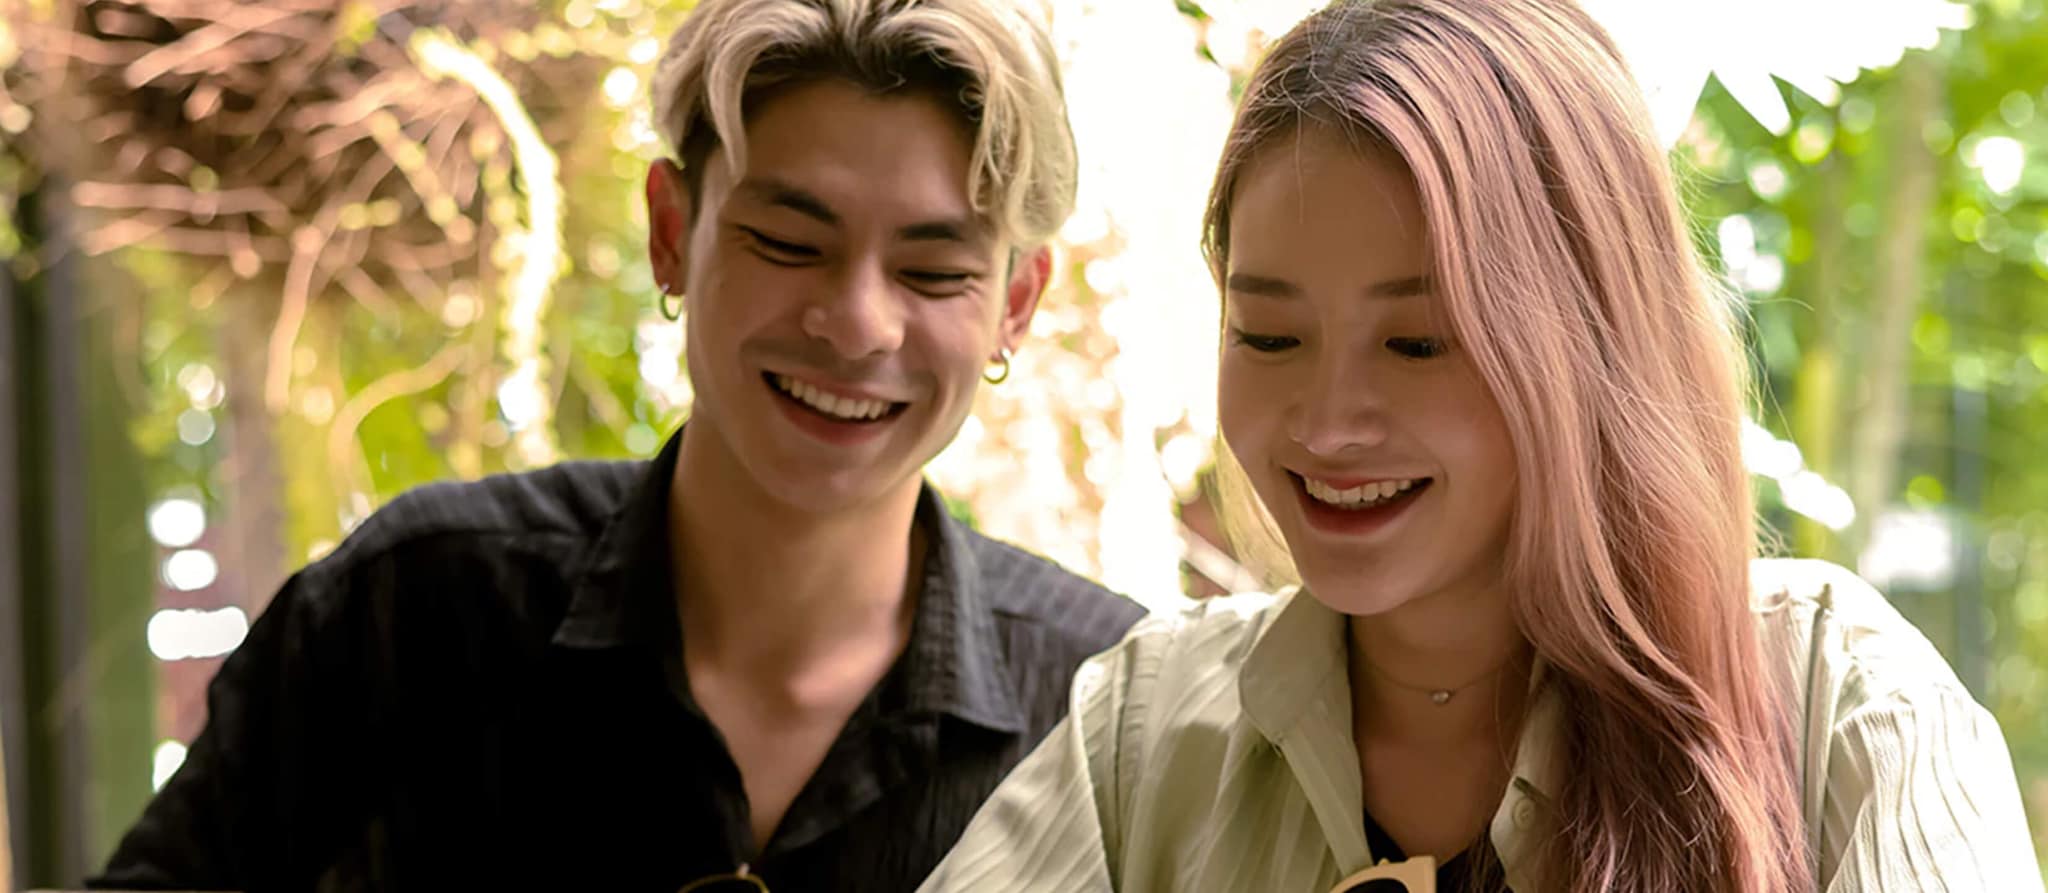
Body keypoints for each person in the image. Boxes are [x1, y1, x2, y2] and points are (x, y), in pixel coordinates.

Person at [919, 1, 2043, 891]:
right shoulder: (1143, 727)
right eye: (1268, 335)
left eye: (1417, 342)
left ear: (1593, 339)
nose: (1325, 422)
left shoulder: (1840, 705)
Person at [91, 0, 1143, 889]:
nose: (858, 324)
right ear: (670, 231)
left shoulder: (1107, 711)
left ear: (1015, 303)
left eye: (931, 273)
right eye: (788, 242)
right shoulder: (412, 606)